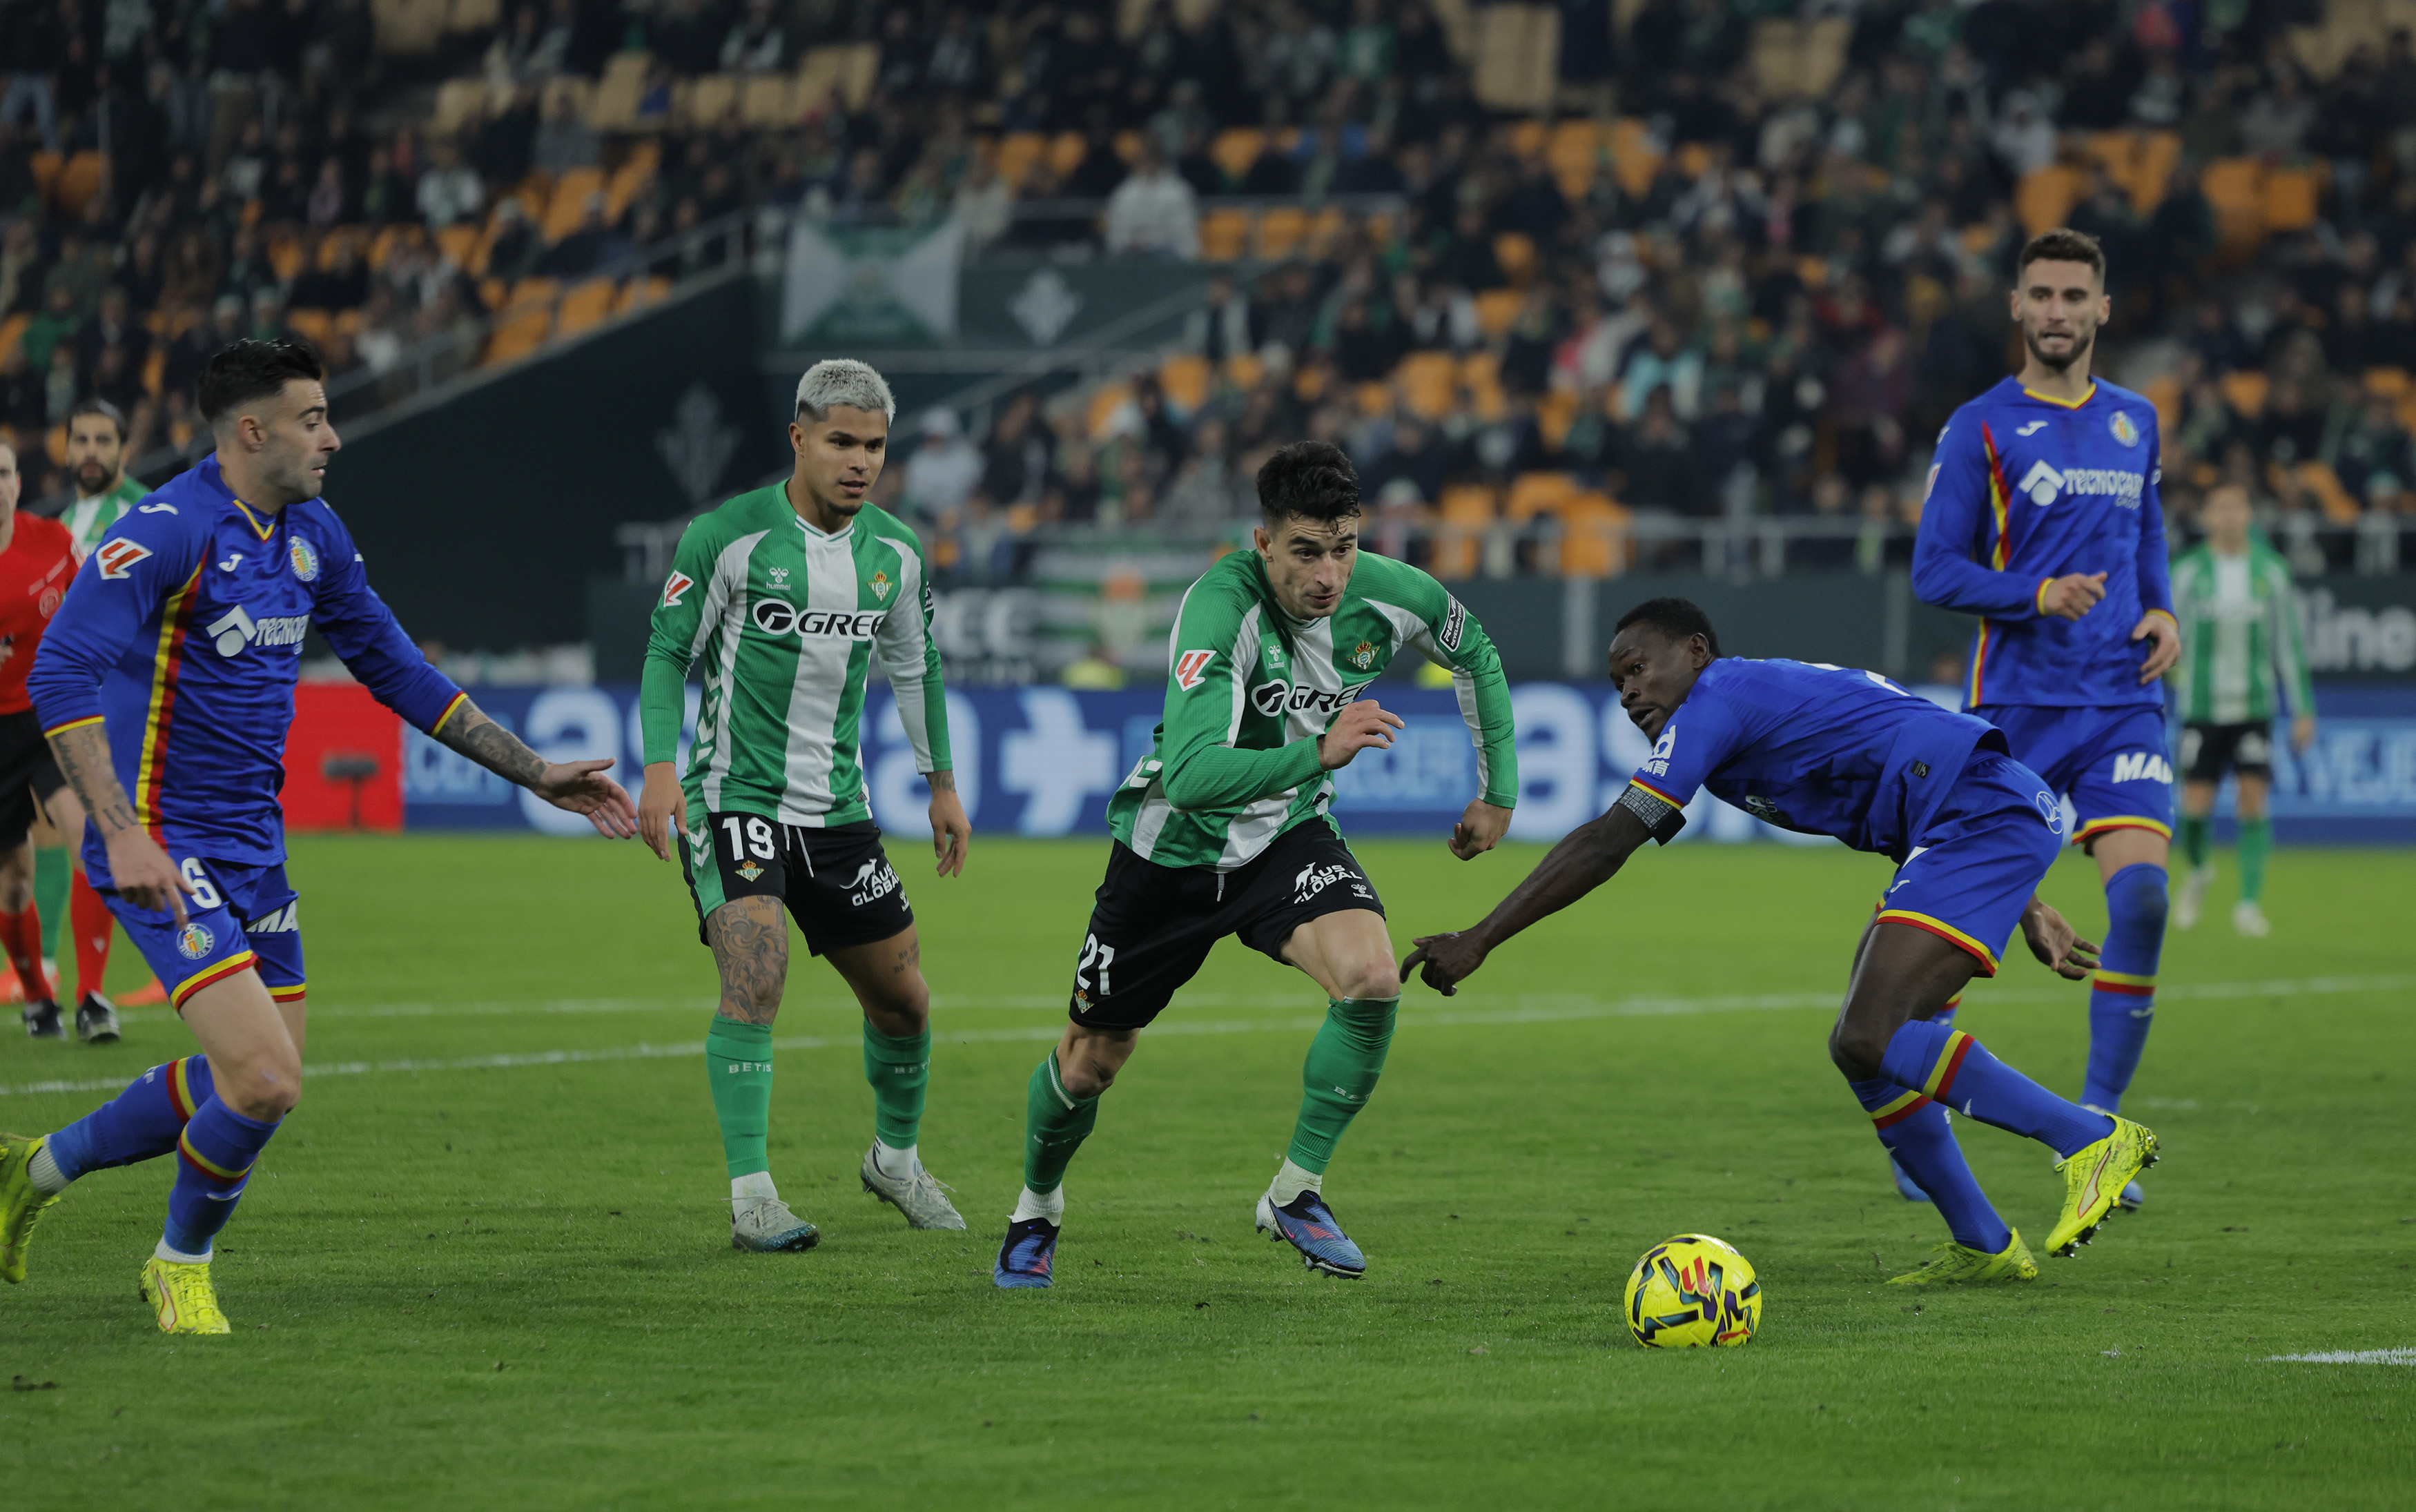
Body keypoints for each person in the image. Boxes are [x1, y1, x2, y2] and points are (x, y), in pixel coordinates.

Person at [0, 340, 637, 1334]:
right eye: (314, 418)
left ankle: (31, 1167)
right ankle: (180, 1263)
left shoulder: (315, 532)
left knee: (245, 1080)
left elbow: (393, 664)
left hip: (255, 848)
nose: (333, 436)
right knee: (265, 1075)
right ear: (252, 430)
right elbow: (59, 676)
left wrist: (535, 768)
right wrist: (118, 833)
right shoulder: (167, 529)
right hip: (163, 848)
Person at [1404, 599, 2161, 1288]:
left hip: (1976, 819)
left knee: (1873, 1035)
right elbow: (1900, 734)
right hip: (1964, 822)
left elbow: (1608, 840)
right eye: (1616, 682)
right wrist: (2025, 902)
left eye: (1639, 668)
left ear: (1695, 651)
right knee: (1858, 1048)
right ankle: (1983, 1244)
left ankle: (2088, 1138)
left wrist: (1479, 938)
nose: (1629, 692)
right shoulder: (1737, 706)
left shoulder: (1717, 699)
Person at [993, 440, 1519, 1290]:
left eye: (1343, 546)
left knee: (1373, 977)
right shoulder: (1217, 608)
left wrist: (1500, 792)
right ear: (1262, 542)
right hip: (1170, 853)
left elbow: (1478, 656)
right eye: (1305, 551)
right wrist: (1320, 751)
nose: (1329, 574)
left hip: (1283, 837)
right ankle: (1035, 1209)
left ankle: (1295, 1191)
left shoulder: (1393, 595)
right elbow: (1194, 777)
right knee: (1090, 1061)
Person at [636, 359, 973, 1253]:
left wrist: (940, 783)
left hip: (837, 810)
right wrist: (661, 766)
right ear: (800, 438)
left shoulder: (895, 552)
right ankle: (753, 1196)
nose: (860, 461)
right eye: (841, 442)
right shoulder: (729, 536)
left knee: (904, 1002)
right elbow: (670, 652)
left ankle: (894, 1160)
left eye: (874, 445)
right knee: (758, 970)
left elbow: (918, 665)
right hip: (733, 793)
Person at [1910, 228, 2179, 1211]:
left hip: (2122, 701)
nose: (2059, 311)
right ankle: (1916, 1121)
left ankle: (2100, 1123)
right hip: (2017, 707)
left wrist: (2162, 609)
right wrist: (2033, 594)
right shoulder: (1980, 426)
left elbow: (2146, 532)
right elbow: (1933, 570)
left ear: (2103, 309)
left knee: (2142, 900)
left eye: (2075, 295)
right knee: (1946, 943)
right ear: (2017, 308)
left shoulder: (2135, 420)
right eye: (2042, 295)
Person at [44, 400, 171, 1026]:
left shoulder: (147, 515)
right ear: (65, 449)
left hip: (130, 703)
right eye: (81, 440)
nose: (91, 451)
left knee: (103, 838)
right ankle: (60, 979)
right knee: (62, 840)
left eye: (103, 440)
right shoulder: (66, 521)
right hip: (68, 704)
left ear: (125, 448)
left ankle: (153, 974)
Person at [2167, 483, 2317, 936]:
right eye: (2220, 508)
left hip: (2254, 706)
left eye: (2237, 507)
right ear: (2207, 516)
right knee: (2194, 806)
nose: (2229, 516)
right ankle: (2198, 871)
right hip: (2201, 707)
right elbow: (2166, 638)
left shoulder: (2271, 572)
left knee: (2254, 799)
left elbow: (2288, 644)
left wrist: (2303, 708)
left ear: (2249, 514)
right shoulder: (2188, 572)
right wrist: (2172, 684)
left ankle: (2248, 904)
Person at [0, 439, 79, 1039]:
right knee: (15, 882)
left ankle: (95, 993)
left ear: (18, 482)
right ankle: (36, 996)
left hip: (45, 717)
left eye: (2, 473)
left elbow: (86, 617)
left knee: (88, 835)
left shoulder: (52, 544)